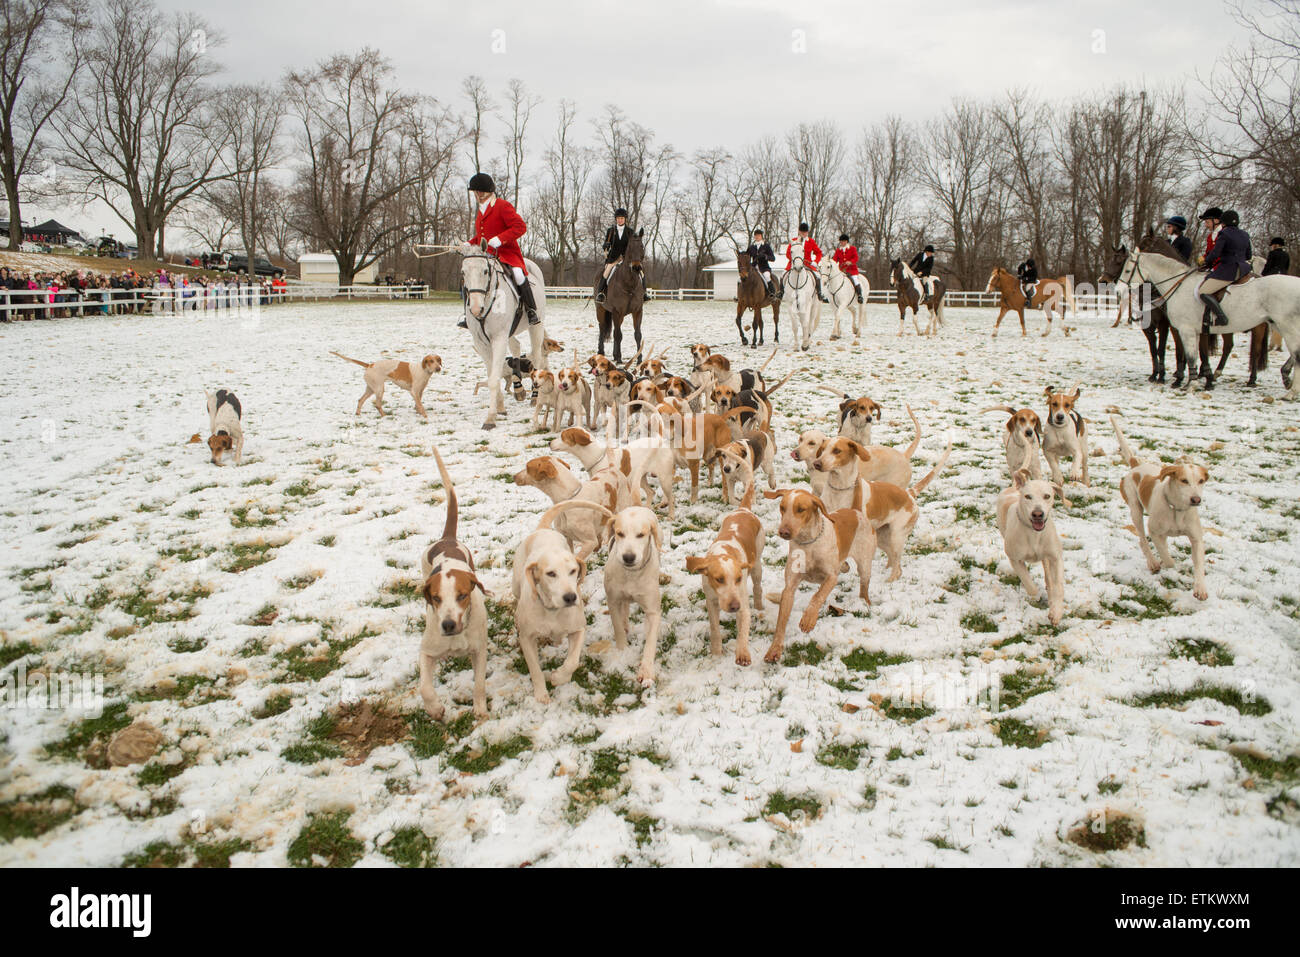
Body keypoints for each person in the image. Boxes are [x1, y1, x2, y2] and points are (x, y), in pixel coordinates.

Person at [458, 172, 540, 328]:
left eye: (478, 191)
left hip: (507, 253)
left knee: (518, 274)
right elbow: (481, 236)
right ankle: (466, 314)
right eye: (475, 192)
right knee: (470, 274)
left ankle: (531, 310)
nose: (476, 194)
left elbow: (520, 227)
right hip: (488, 255)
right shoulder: (481, 211)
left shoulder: (502, 206)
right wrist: (469, 243)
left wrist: (501, 239)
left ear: (485, 192)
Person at [1198, 208, 1251, 327]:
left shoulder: (1224, 233)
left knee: (1203, 291)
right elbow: (1249, 255)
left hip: (1228, 270)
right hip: (1244, 269)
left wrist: (1205, 261)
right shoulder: (1245, 234)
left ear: (1223, 222)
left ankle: (1222, 318)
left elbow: (1215, 254)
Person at [596, 208, 646, 303]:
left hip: (626, 258)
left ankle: (644, 293)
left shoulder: (630, 231)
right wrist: (605, 245)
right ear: (616, 219)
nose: (620, 220)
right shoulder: (611, 231)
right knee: (606, 272)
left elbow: (634, 244)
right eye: (618, 218)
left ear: (625, 219)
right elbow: (606, 243)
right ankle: (601, 293)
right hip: (613, 258)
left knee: (641, 272)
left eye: (622, 218)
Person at [787, 222, 828, 302]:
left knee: (818, 276)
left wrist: (816, 262)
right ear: (799, 232)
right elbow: (788, 253)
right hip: (795, 264)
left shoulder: (811, 241)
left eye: (805, 232)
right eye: (802, 232)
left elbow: (818, 253)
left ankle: (819, 293)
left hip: (808, 265)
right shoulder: (793, 241)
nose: (803, 234)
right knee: (783, 274)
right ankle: (782, 293)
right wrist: (795, 260)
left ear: (807, 232)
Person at [743, 228, 778, 298]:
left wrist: (765, 256)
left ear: (761, 236)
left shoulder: (766, 246)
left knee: (767, 276)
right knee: (742, 278)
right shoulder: (751, 247)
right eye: (755, 236)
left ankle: (772, 293)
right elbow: (746, 256)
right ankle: (741, 296)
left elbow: (773, 258)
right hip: (753, 268)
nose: (757, 237)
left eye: (758, 235)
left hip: (764, 268)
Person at [832, 234, 865, 303]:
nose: (842, 243)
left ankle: (859, 295)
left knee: (855, 280)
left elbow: (856, 258)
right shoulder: (838, 250)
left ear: (846, 241)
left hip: (852, 270)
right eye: (841, 242)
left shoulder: (852, 249)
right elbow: (834, 259)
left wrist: (850, 262)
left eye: (843, 241)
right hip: (842, 271)